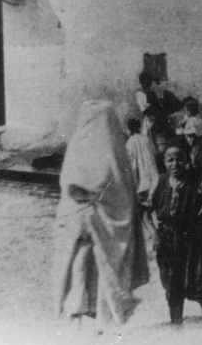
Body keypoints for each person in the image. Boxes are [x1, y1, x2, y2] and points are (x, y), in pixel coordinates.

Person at [52, 100, 149, 327]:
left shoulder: (78, 143)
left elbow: (70, 182)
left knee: (79, 264)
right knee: (106, 267)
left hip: (77, 216)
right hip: (105, 219)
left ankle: (77, 316)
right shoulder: (113, 147)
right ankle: (104, 319)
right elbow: (120, 185)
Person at [146, 140, 202, 327]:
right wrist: (153, 233)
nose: (175, 164)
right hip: (168, 240)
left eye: (179, 159)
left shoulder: (197, 179)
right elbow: (144, 210)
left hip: (194, 239)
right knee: (172, 286)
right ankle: (177, 330)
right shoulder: (158, 181)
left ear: (187, 159)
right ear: (164, 161)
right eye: (170, 160)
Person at [125, 117, 160, 247]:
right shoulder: (146, 139)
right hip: (153, 176)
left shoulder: (130, 143)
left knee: (142, 211)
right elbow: (154, 154)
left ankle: (154, 234)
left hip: (142, 182)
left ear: (129, 129)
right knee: (149, 207)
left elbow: (132, 165)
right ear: (139, 127)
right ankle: (154, 233)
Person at [136, 71, 183, 137]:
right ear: (141, 82)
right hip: (152, 121)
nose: (149, 83)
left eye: (150, 81)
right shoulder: (140, 94)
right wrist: (159, 116)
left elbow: (158, 106)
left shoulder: (152, 93)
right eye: (146, 82)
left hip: (159, 118)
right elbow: (146, 111)